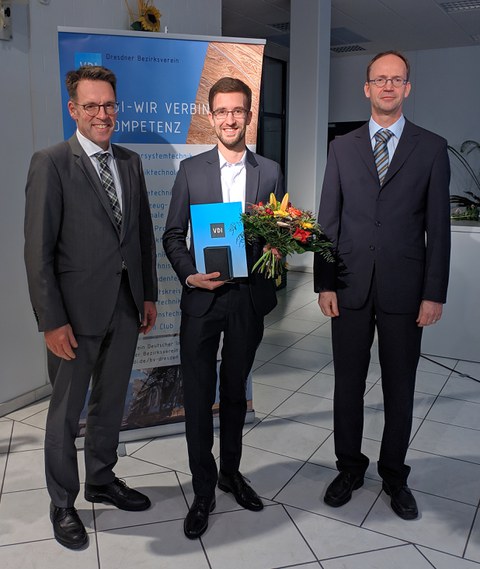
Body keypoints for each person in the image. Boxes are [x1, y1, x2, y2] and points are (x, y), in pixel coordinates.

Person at [24, 65, 158, 549]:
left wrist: (148, 294)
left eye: (109, 105)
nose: (103, 114)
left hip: (124, 307)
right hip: (73, 319)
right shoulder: (52, 162)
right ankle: (63, 503)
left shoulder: (130, 161)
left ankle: (102, 478)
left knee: (109, 403)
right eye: (92, 106)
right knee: (65, 413)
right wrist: (51, 320)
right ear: (73, 109)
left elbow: (139, 234)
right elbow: (38, 252)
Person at [314, 51, 451, 520]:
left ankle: (394, 473)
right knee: (347, 385)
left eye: (396, 80)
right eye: (379, 79)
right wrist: (324, 282)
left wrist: (434, 292)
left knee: (400, 386)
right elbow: (327, 221)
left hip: (405, 289)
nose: (388, 86)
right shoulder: (342, 147)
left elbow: (438, 228)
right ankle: (349, 468)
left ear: (407, 88)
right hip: (349, 287)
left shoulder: (431, 148)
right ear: (366, 87)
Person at [163, 77, 285, 539]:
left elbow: (276, 235)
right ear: (210, 117)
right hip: (202, 298)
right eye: (222, 112)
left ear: (249, 116)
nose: (230, 119)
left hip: (246, 300)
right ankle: (203, 489)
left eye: (238, 111)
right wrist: (189, 273)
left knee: (236, 391)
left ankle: (231, 474)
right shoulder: (190, 171)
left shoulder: (269, 172)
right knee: (198, 396)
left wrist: (276, 252)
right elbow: (173, 235)